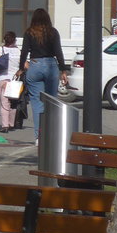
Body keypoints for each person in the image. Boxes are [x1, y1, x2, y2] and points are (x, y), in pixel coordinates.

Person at [16, 8, 70, 142]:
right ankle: (51, 136)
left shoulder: (29, 32)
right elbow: (58, 51)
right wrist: (63, 70)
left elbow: (24, 52)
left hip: (35, 65)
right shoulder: (53, 32)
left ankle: (39, 137)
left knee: (36, 103)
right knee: (51, 102)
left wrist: (21, 68)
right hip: (51, 65)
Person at [0, 31, 21, 132]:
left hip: (1, 78)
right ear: (14, 40)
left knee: (4, 103)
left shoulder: (1, 49)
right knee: (13, 102)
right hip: (14, 80)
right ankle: (11, 123)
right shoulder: (18, 51)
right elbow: (26, 65)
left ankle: (5, 126)